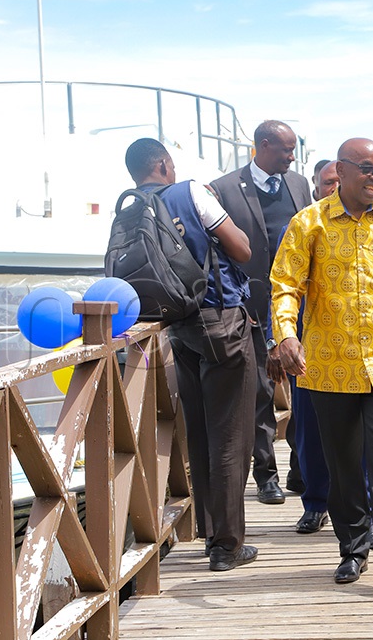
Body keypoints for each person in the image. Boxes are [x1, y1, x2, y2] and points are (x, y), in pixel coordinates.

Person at [270, 137, 373, 591]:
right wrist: (285, 334)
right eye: (366, 168)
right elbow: (285, 285)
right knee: (342, 467)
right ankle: (354, 547)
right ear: (340, 171)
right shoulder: (309, 223)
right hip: (329, 366)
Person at [123, 138, 257, 571]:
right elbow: (242, 250)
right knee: (231, 437)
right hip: (221, 323)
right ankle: (227, 546)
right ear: (163, 163)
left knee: (198, 435)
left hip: (178, 327)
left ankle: (209, 532)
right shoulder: (190, 192)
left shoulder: (128, 208)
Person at [210, 120, 311, 505]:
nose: (291, 156)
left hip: (299, 306)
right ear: (263, 146)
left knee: (306, 391)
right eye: (285, 150)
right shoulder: (224, 188)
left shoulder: (300, 185)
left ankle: (301, 471)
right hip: (249, 309)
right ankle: (266, 474)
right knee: (260, 394)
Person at [267, 161, 337, 534]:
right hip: (307, 348)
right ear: (314, 186)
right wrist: (278, 339)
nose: (334, 188)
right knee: (309, 430)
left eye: (339, 182)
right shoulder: (298, 226)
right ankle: (315, 503)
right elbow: (281, 289)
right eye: (328, 182)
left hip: (357, 350)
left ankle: (366, 507)